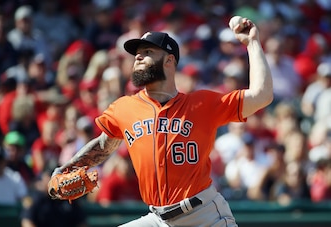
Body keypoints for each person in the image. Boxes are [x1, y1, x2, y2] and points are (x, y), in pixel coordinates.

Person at [50, 16, 273, 227]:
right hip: (158, 218)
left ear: (169, 60)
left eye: (147, 52)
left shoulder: (203, 103)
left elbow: (262, 95)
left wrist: (252, 43)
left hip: (203, 216)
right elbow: (103, 145)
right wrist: (65, 169)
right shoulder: (125, 107)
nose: (138, 57)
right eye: (136, 53)